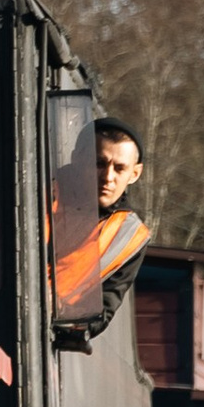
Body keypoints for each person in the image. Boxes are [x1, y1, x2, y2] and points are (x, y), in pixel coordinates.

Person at [54, 117, 150, 325]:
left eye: (119, 168)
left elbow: (103, 310)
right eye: (99, 163)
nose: (108, 177)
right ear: (77, 159)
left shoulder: (131, 236)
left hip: (47, 333)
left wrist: (66, 317)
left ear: (135, 173)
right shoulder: (40, 192)